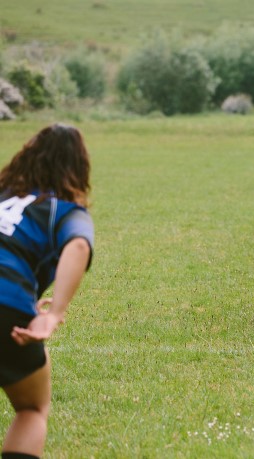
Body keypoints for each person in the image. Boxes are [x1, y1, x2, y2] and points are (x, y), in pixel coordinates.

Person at [0, 124, 94, 459]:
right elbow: (79, 246)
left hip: (11, 298)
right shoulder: (63, 210)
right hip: (7, 309)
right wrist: (54, 314)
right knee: (32, 408)